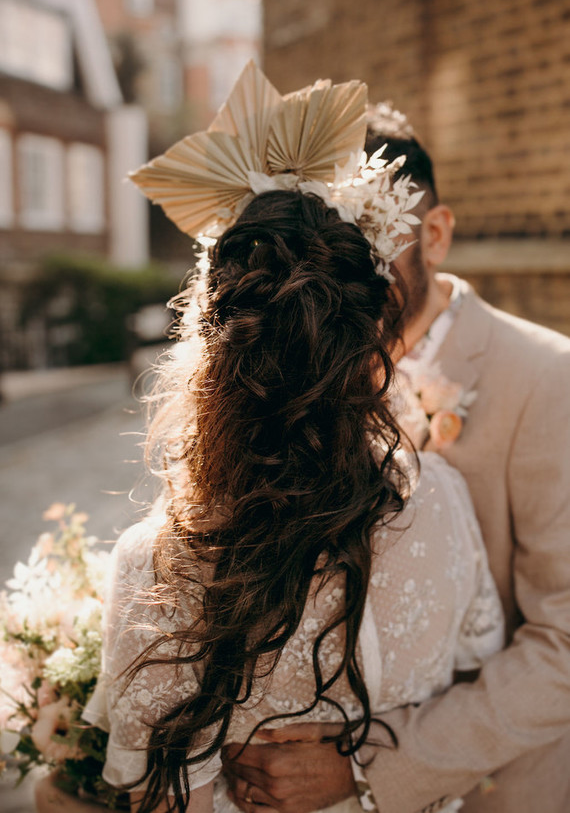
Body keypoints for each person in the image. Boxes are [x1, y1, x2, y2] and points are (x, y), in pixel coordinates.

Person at [32, 65, 507, 813]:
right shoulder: (443, 499)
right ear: (371, 334)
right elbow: (476, 670)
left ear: (210, 349)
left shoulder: (159, 565)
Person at [222, 105, 570, 813]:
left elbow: (563, 642)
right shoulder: (293, 370)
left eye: (367, 240)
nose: (337, 267)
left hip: (487, 790)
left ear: (434, 235)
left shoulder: (546, 379)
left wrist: (368, 766)